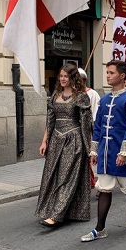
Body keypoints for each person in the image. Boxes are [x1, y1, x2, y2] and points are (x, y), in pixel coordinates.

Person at [81, 60, 126, 242]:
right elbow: (97, 127)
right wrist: (94, 151)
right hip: (105, 155)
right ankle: (100, 228)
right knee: (104, 189)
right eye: (107, 72)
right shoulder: (104, 99)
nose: (108, 75)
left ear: (122, 76)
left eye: (111, 72)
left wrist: (124, 152)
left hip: (123, 153)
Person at [36, 64, 92, 228]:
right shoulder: (55, 96)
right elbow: (50, 121)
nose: (62, 79)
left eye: (65, 76)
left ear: (73, 78)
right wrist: (44, 141)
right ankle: (57, 210)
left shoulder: (81, 97)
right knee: (53, 176)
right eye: (60, 76)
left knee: (67, 177)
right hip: (55, 140)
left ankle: (56, 215)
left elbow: (86, 124)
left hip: (73, 141)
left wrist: (88, 147)